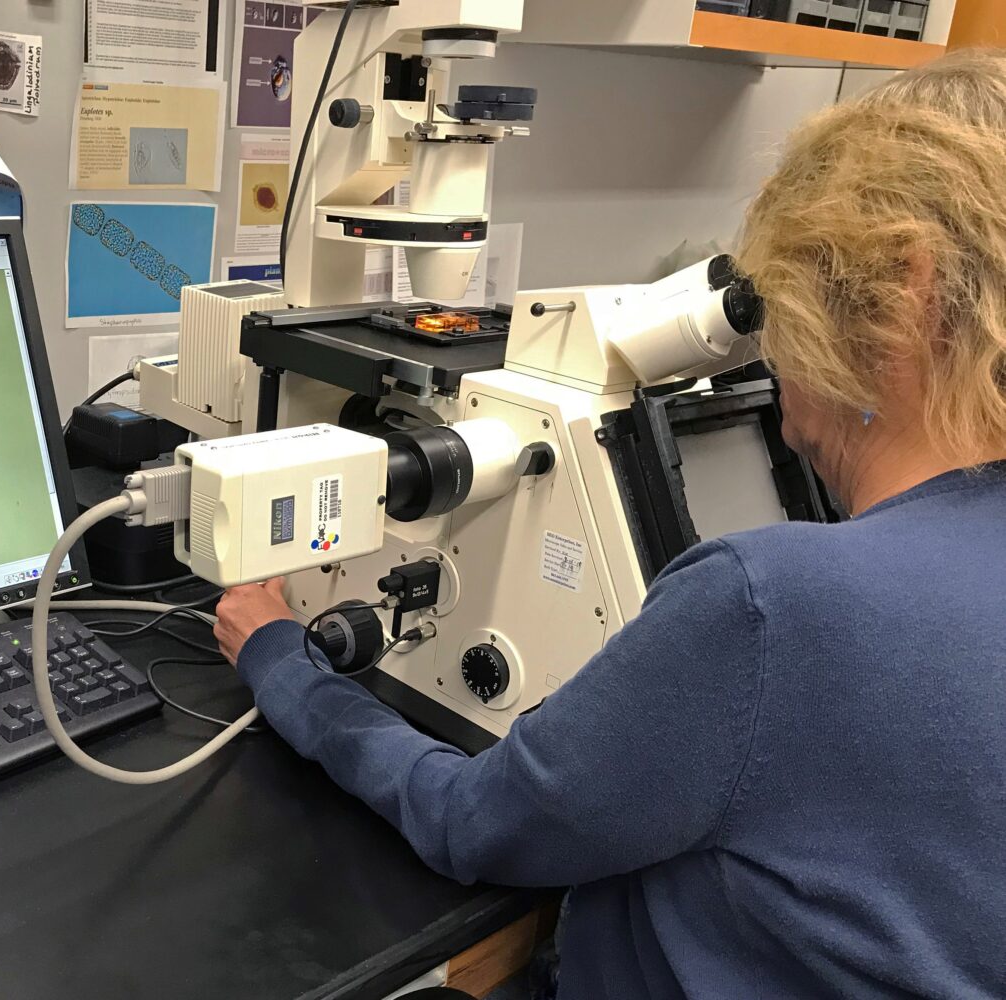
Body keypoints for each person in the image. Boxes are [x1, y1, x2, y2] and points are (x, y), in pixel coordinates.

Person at [214, 50, 1006, 1000]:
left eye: (789, 291)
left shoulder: (776, 609)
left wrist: (278, 657)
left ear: (908, 293)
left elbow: (472, 821)